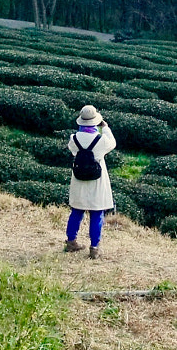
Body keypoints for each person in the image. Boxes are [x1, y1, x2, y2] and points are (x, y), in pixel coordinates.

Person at [65, 104, 116, 259]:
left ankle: (71, 241)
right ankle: (94, 248)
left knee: (76, 211)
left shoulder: (74, 138)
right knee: (96, 213)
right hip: (97, 181)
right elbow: (112, 143)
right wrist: (105, 127)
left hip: (79, 179)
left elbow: (73, 151)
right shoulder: (101, 140)